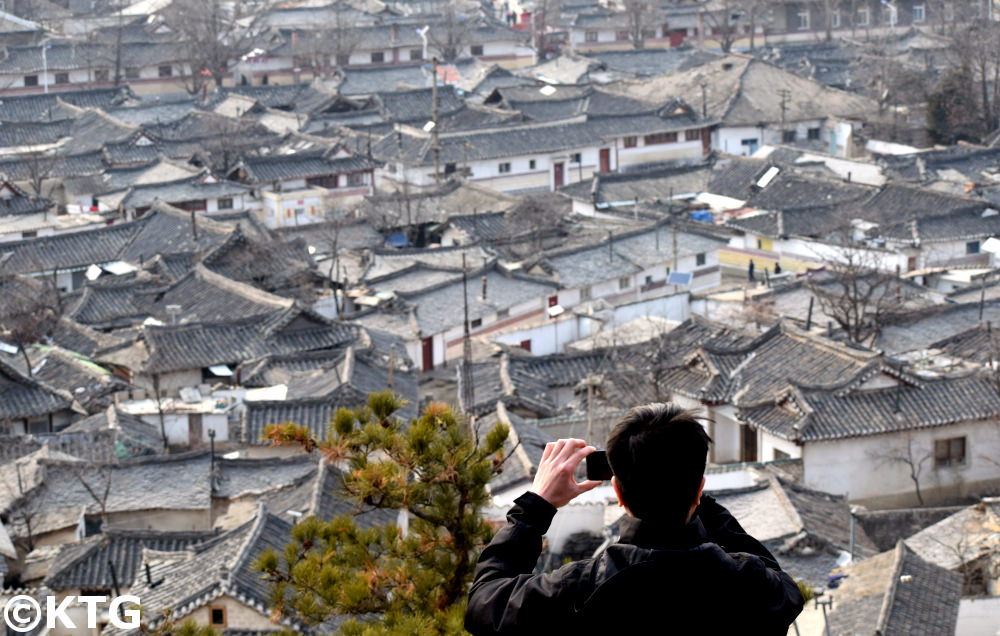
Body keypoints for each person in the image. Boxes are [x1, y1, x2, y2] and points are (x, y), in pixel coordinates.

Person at [465, 403, 804, 635]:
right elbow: (778, 578)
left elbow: (484, 604)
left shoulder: (578, 587)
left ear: (619, 492)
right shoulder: (752, 585)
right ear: (699, 489)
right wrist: (687, 488)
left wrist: (536, 506)